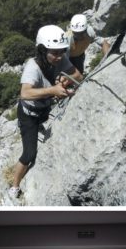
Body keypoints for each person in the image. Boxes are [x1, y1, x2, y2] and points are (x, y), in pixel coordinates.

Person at [9, 25, 83, 199]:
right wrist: (53, 91)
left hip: (44, 109)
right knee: (29, 154)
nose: (58, 57)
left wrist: (64, 83)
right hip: (29, 115)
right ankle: (14, 186)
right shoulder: (32, 67)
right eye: (54, 53)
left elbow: (78, 75)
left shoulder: (61, 59)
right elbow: (25, 93)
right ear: (42, 50)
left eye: (61, 52)